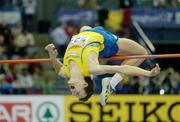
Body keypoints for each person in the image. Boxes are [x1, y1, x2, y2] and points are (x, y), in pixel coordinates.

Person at [45, 26, 160, 105]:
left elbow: (58, 68)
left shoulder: (65, 72)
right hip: (106, 42)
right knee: (142, 53)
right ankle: (112, 83)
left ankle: (110, 83)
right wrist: (148, 73)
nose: (73, 93)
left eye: (74, 94)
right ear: (84, 83)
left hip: (88, 33)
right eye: (78, 93)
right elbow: (123, 68)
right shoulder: (92, 68)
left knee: (84, 28)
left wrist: (52, 56)